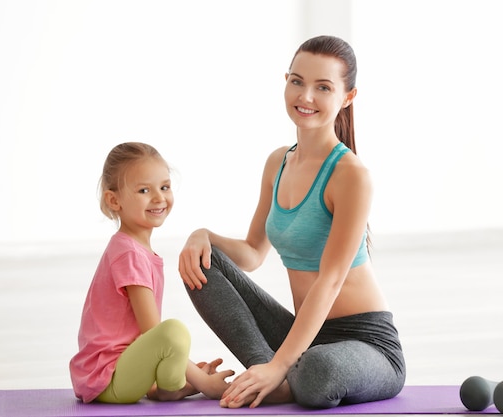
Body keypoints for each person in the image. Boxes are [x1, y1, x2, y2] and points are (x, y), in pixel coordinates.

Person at [178, 35, 406, 409]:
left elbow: (330, 280)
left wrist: (281, 362)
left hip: (367, 344)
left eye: (323, 87)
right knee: (203, 263)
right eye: (297, 81)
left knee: (317, 371)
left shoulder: (351, 175)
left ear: (347, 97)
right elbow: (252, 253)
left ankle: (278, 374)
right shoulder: (278, 163)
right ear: (285, 80)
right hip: (308, 334)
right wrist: (201, 235)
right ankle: (271, 378)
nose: (306, 97)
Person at [69, 142, 234, 404]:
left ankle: (169, 386)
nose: (159, 198)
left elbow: (141, 335)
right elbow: (153, 331)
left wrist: (181, 368)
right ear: (114, 200)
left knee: (171, 335)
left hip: (122, 371)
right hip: (108, 378)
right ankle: (172, 388)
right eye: (144, 190)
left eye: (164, 187)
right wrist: (205, 384)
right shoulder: (129, 254)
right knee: (174, 332)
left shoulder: (134, 249)